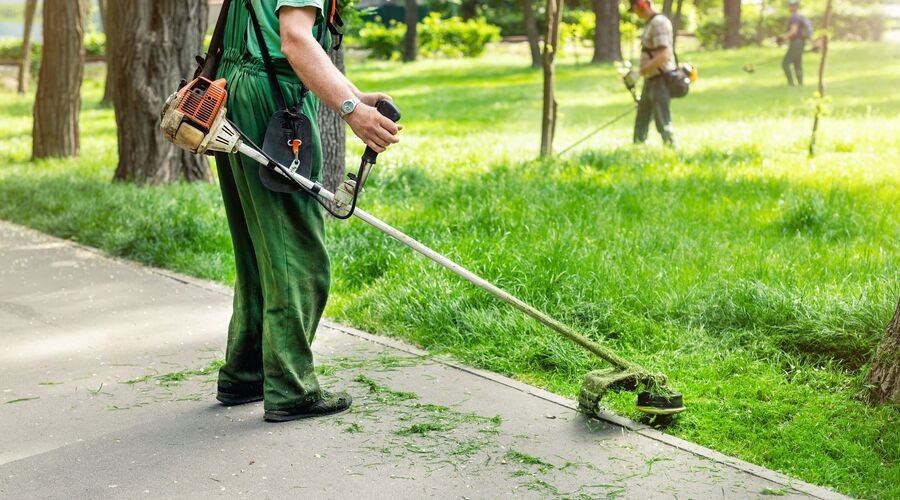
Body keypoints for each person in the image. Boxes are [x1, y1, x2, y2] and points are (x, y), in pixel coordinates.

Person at [211, 0, 400, 422]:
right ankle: (290, 388)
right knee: (297, 254)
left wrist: (353, 94)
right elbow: (295, 40)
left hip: (235, 94)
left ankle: (246, 372)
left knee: (258, 247)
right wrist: (352, 112)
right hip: (273, 104)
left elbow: (269, 40)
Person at [628, 0, 676, 147]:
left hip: (660, 79)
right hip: (651, 78)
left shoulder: (658, 23)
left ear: (641, 5)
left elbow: (663, 55)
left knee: (662, 118)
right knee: (642, 117)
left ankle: (671, 148)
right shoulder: (650, 24)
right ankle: (637, 148)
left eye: (634, 8)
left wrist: (640, 73)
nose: (634, 13)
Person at [782, 0, 810, 86]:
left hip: (796, 43)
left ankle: (791, 84)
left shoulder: (794, 17)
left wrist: (782, 37)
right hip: (801, 43)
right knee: (797, 63)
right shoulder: (801, 17)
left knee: (785, 63)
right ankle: (800, 84)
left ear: (795, 7)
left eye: (791, 6)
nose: (790, 7)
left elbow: (793, 31)